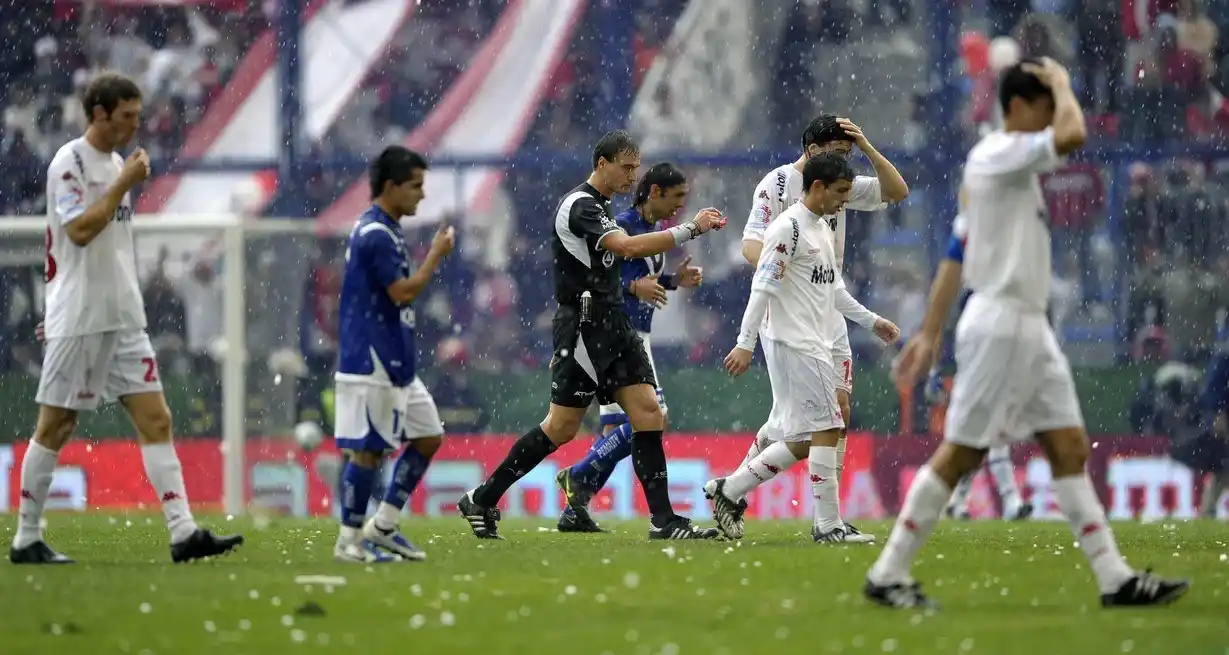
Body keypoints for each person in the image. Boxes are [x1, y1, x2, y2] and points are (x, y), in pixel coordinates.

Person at [866, 58, 1189, 609]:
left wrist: (930, 332)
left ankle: (1115, 579)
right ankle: (887, 573)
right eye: (1043, 105)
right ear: (1018, 107)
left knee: (1066, 447)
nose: (1051, 116)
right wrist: (1065, 82)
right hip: (999, 324)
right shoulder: (1000, 155)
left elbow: (954, 254)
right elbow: (1073, 135)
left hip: (1027, 326)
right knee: (960, 454)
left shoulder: (999, 169)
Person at [10, 72, 243, 564]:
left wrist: (121, 178)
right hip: (79, 315)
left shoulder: (118, 162)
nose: (136, 126)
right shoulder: (69, 163)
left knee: (156, 418)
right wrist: (121, 184)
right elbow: (77, 231)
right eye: (127, 117)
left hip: (123, 316)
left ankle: (183, 534)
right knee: (55, 425)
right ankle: (26, 538)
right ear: (99, 113)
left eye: (137, 116)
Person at [457, 130, 726, 540]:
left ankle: (663, 521)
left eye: (636, 168)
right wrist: (691, 229)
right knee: (562, 426)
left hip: (612, 323)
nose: (632, 176)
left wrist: (667, 279)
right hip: (585, 325)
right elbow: (627, 249)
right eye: (627, 167)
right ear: (602, 164)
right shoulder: (581, 205)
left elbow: (617, 266)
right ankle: (484, 496)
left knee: (649, 413)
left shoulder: (600, 206)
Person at [726, 114, 907, 542]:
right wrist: (787, 268)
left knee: (831, 416)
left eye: (849, 157)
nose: (847, 173)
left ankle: (826, 518)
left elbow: (897, 191)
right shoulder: (778, 186)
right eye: (839, 155)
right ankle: (737, 492)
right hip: (792, 311)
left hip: (830, 303)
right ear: (813, 153)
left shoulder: (838, 188)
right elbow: (752, 243)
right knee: (801, 424)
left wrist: (865, 146)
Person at [708, 153, 864, 543]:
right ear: (817, 186)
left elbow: (833, 289)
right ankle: (828, 526)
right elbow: (762, 285)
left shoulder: (821, 228)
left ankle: (731, 489)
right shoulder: (788, 226)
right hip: (796, 341)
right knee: (827, 426)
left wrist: (871, 321)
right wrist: (744, 343)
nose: (845, 200)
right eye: (841, 191)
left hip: (814, 336)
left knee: (800, 435)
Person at [553, 162, 703, 533]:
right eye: (677, 197)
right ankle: (581, 475)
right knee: (655, 417)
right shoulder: (620, 227)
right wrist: (636, 289)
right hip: (622, 336)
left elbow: (635, 277)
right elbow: (601, 282)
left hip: (624, 333)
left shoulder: (650, 230)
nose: (680, 207)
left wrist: (670, 280)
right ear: (654, 192)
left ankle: (576, 507)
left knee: (615, 432)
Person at [331, 146, 455, 563]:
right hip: (372, 358)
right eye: (416, 186)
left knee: (428, 435)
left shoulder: (386, 229)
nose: (421, 195)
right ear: (391, 186)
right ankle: (348, 541)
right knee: (368, 450)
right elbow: (400, 292)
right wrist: (435, 257)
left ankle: (382, 525)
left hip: (396, 359)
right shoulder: (375, 234)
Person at [920, 215, 1034, 521]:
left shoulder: (990, 294)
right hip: (974, 374)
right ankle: (1008, 502)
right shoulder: (977, 300)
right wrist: (937, 372)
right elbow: (952, 336)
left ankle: (956, 502)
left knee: (975, 439)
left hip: (984, 373)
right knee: (983, 436)